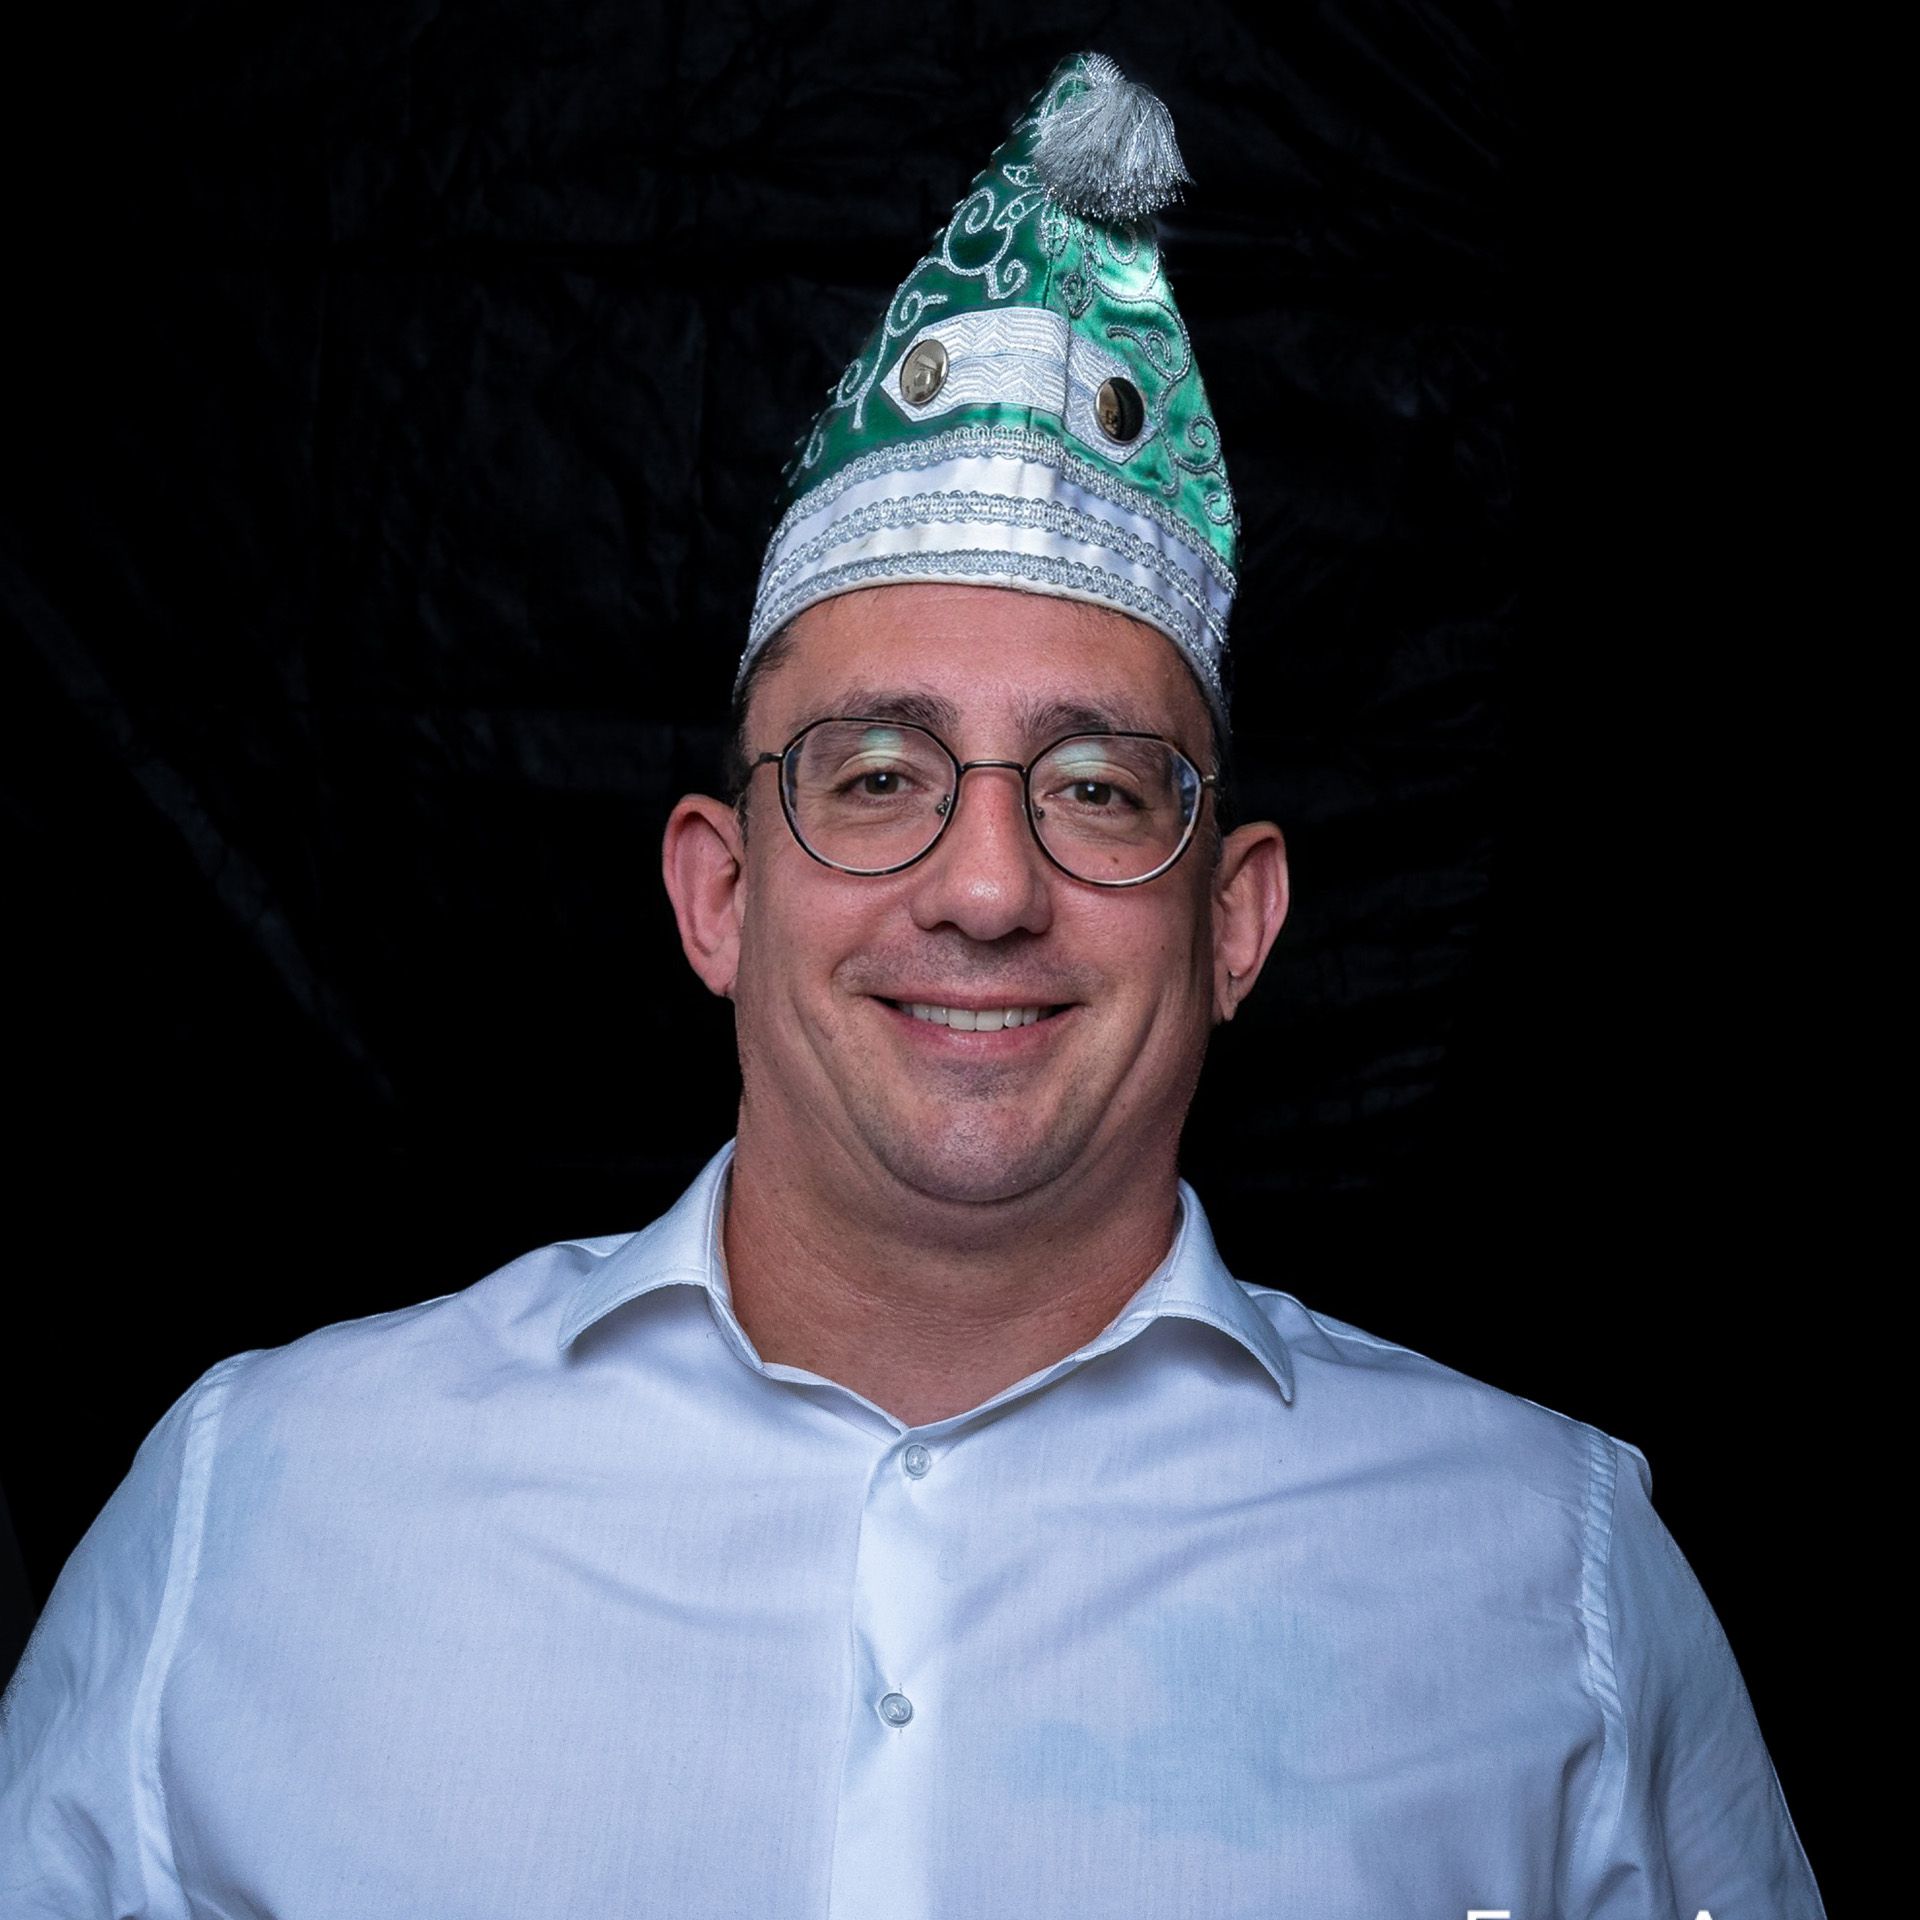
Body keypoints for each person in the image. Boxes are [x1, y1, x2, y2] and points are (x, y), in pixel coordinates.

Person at [0, 52, 1823, 1920]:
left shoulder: (1550, 1579)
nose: (986, 888)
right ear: (720, 893)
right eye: (875, 776)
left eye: (1100, 789)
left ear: (1236, 921)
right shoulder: (262, 1508)